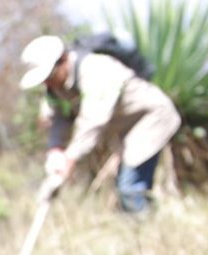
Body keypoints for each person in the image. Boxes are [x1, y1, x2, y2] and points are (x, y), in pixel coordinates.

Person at [19, 33, 182, 215]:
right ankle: (141, 226)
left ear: (63, 60)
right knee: (124, 190)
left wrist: (69, 160)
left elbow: (93, 121)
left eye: (49, 76)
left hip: (150, 119)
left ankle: (149, 230)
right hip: (126, 130)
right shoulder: (56, 87)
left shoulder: (96, 70)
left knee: (129, 187)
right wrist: (55, 150)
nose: (47, 83)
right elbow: (60, 117)